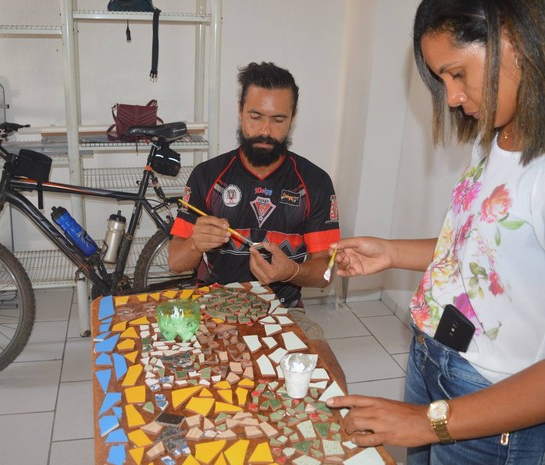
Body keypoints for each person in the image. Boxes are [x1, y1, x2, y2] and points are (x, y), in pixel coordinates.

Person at [325, 1, 545, 464]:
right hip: (431, 357)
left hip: (490, 401)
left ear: (515, 42)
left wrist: (424, 422)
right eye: (441, 80)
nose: (451, 98)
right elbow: (477, 251)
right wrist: (389, 252)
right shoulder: (495, 136)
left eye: (457, 73)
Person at [168, 61, 341, 341]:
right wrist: (195, 243)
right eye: (256, 116)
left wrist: (291, 271)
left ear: (292, 118)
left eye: (278, 120)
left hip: (284, 310)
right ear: (240, 111)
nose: (265, 131)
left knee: (324, 370)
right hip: (212, 306)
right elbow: (176, 262)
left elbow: (325, 274)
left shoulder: (315, 182)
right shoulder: (207, 175)